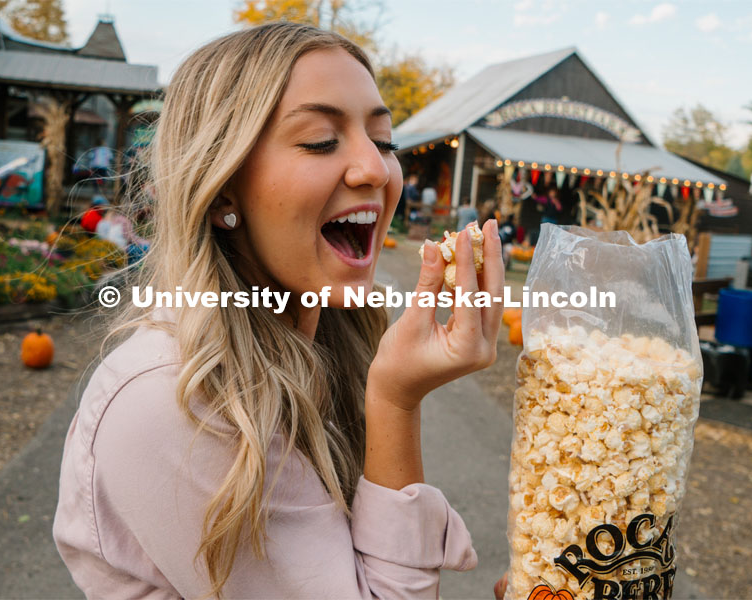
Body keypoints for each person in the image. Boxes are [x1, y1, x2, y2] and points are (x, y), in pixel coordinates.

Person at [53, 22, 506, 599]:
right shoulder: (172, 398)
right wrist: (395, 400)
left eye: (384, 141)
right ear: (221, 192)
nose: (376, 169)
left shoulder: (320, 344)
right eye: (320, 140)